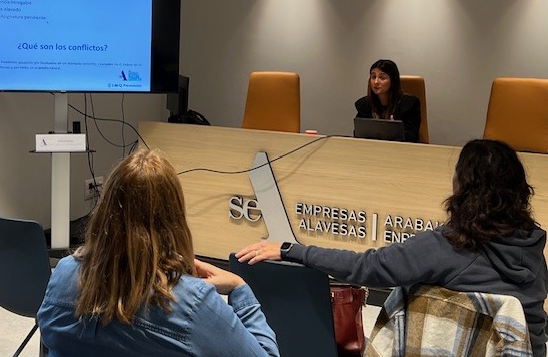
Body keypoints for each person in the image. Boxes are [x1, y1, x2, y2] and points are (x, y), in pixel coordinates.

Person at [237, 139, 548, 357]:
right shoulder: (532, 245)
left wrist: (292, 250)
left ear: (464, 186)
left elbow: (366, 268)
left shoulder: (451, 246)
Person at [38, 148, 279, 357]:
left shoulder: (64, 273)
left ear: (105, 211)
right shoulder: (192, 303)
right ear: (174, 220)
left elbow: (50, 339)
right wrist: (240, 288)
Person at [355, 59, 421, 142]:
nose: (376, 82)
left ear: (393, 81)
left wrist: (393, 130)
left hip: (400, 148)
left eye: (382, 78)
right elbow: (358, 134)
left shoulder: (409, 104)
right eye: (373, 77)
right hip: (372, 148)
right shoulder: (364, 104)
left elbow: (412, 136)